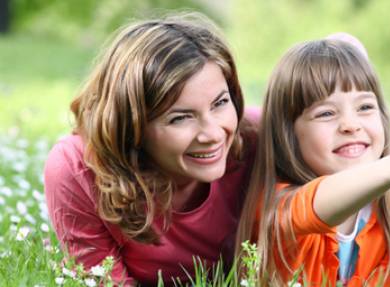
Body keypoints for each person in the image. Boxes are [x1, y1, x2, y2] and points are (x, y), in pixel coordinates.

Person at [43, 12, 258, 285]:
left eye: (220, 103)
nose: (214, 134)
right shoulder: (78, 168)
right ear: (132, 126)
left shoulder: (256, 137)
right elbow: (103, 279)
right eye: (180, 117)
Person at [235, 39, 390, 286]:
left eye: (365, 107)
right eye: (326, 113)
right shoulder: (277, 207)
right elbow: (314, 207)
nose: (350, 125)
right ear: (288, 135)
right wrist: (389, 168)